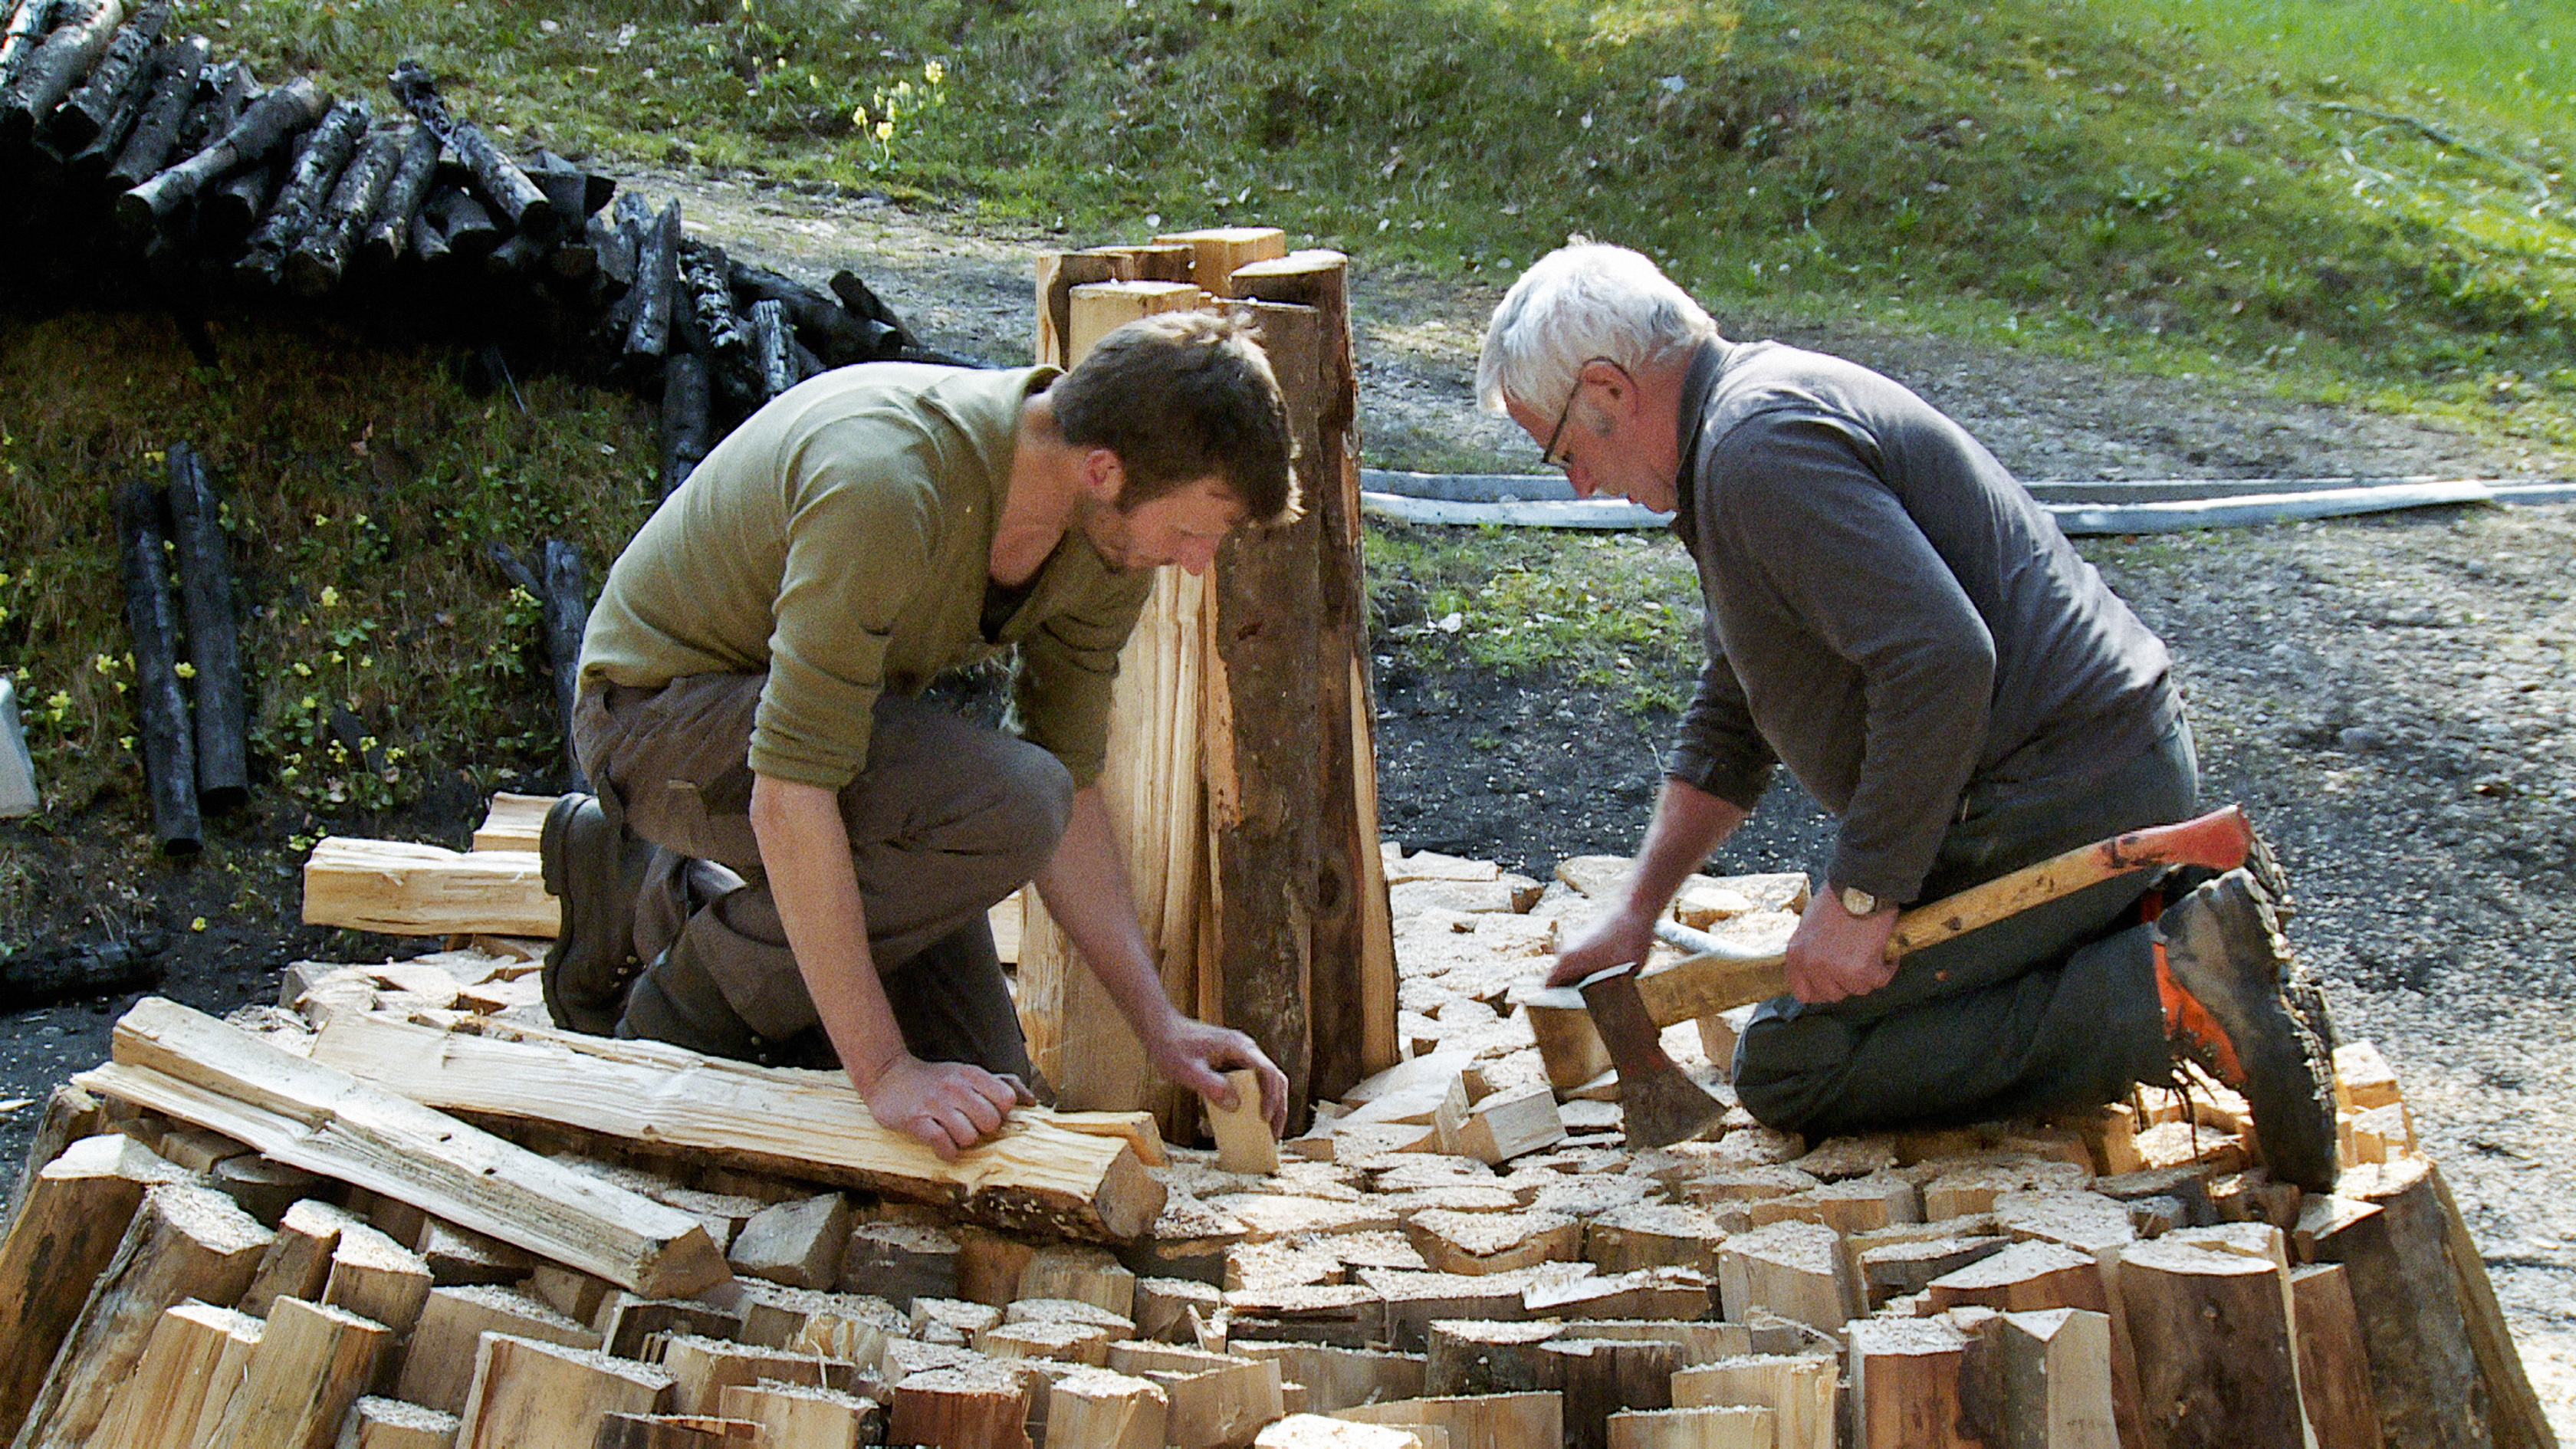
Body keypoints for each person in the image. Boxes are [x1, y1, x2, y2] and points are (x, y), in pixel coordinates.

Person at [1477, 243, 2338, 1189]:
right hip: (2082, 770)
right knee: (1831, 1013)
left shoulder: (1756, 452)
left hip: (2059, 792)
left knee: (1792, 1063)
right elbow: (1740, 708)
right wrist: (1637, 910)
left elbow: (1943, 660)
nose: (1580, 487)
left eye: (1565, 448)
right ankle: (2155, 919)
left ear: (1610, 388)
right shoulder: (1740, 436)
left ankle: (2165, 988)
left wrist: (1862, 898)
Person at [542, 311, 1295, 1161]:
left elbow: (1073, 784)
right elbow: (792, 795)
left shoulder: (1105, 537)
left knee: (990, 1094)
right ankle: (666, 1015)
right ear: (1103, 469)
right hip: (653, 722)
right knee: (1007, 805)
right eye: (1195, 531)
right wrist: (887, 1071)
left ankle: (655, 892)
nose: (1197, 562)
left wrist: (1160, 1025)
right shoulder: (887, 481)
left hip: (820, 735)